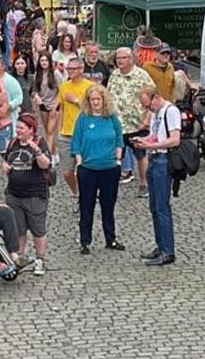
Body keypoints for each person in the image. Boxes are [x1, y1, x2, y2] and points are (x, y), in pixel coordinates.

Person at [69, 86, 125, 255]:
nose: (95, 103)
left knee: (108, 205)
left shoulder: (112, 118)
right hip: (88, 168)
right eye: (92, 99)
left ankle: (111, 238)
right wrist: (79, 162)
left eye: (98, 99)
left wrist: (118, 160)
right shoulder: (84, 118)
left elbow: (119, 139)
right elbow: (76, 141)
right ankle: (85, 240)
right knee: (87, 206)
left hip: (109, 168)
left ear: (104, 100)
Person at [133, 84, 182, 266]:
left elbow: (174, 139)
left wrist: (149, 146)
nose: (148, 109)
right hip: (154, 159)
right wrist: (143, 140)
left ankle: (168, 251)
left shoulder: (171, 111)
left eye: (148, 105)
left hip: (163, 160)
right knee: (154, 207)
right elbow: (155, 136)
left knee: (162, 207)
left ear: (155, 97)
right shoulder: (156, 113)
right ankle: (160, 245)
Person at [2, 114, 54, 275]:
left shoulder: (39, 143)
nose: (18, 131)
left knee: (38, 229)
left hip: (35, 195)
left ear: (31, 130)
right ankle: (19, 258)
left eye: (22, 128)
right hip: (14, 194)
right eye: (17, 127)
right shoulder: (12, 143)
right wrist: (5, 166)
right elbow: (6, 161)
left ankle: (40, 260)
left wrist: (36, 151)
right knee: (19, 229)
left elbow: (46, 164)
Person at [105, 48, 151, 195]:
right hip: (117, 124)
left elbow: (153, 98)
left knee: (140, 154)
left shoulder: (142, 76)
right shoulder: (114, 75)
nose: (119, 61)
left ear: (131, 59)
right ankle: (112, 185)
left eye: (123, 58)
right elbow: (108, 97)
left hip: (137, 124)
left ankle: (144, 184)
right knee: (115, 155)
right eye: (118, 58)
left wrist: (146, 120)